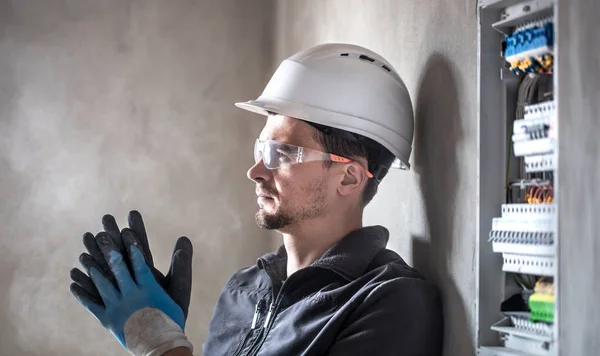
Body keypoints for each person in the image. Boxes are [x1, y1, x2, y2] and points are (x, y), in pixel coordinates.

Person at [69, 43, 444, 356]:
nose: (256, 171)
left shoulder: (391, 303)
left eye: (282, 154)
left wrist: (161, 345)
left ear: (348, 176)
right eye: (261, 148)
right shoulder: (243, 291)